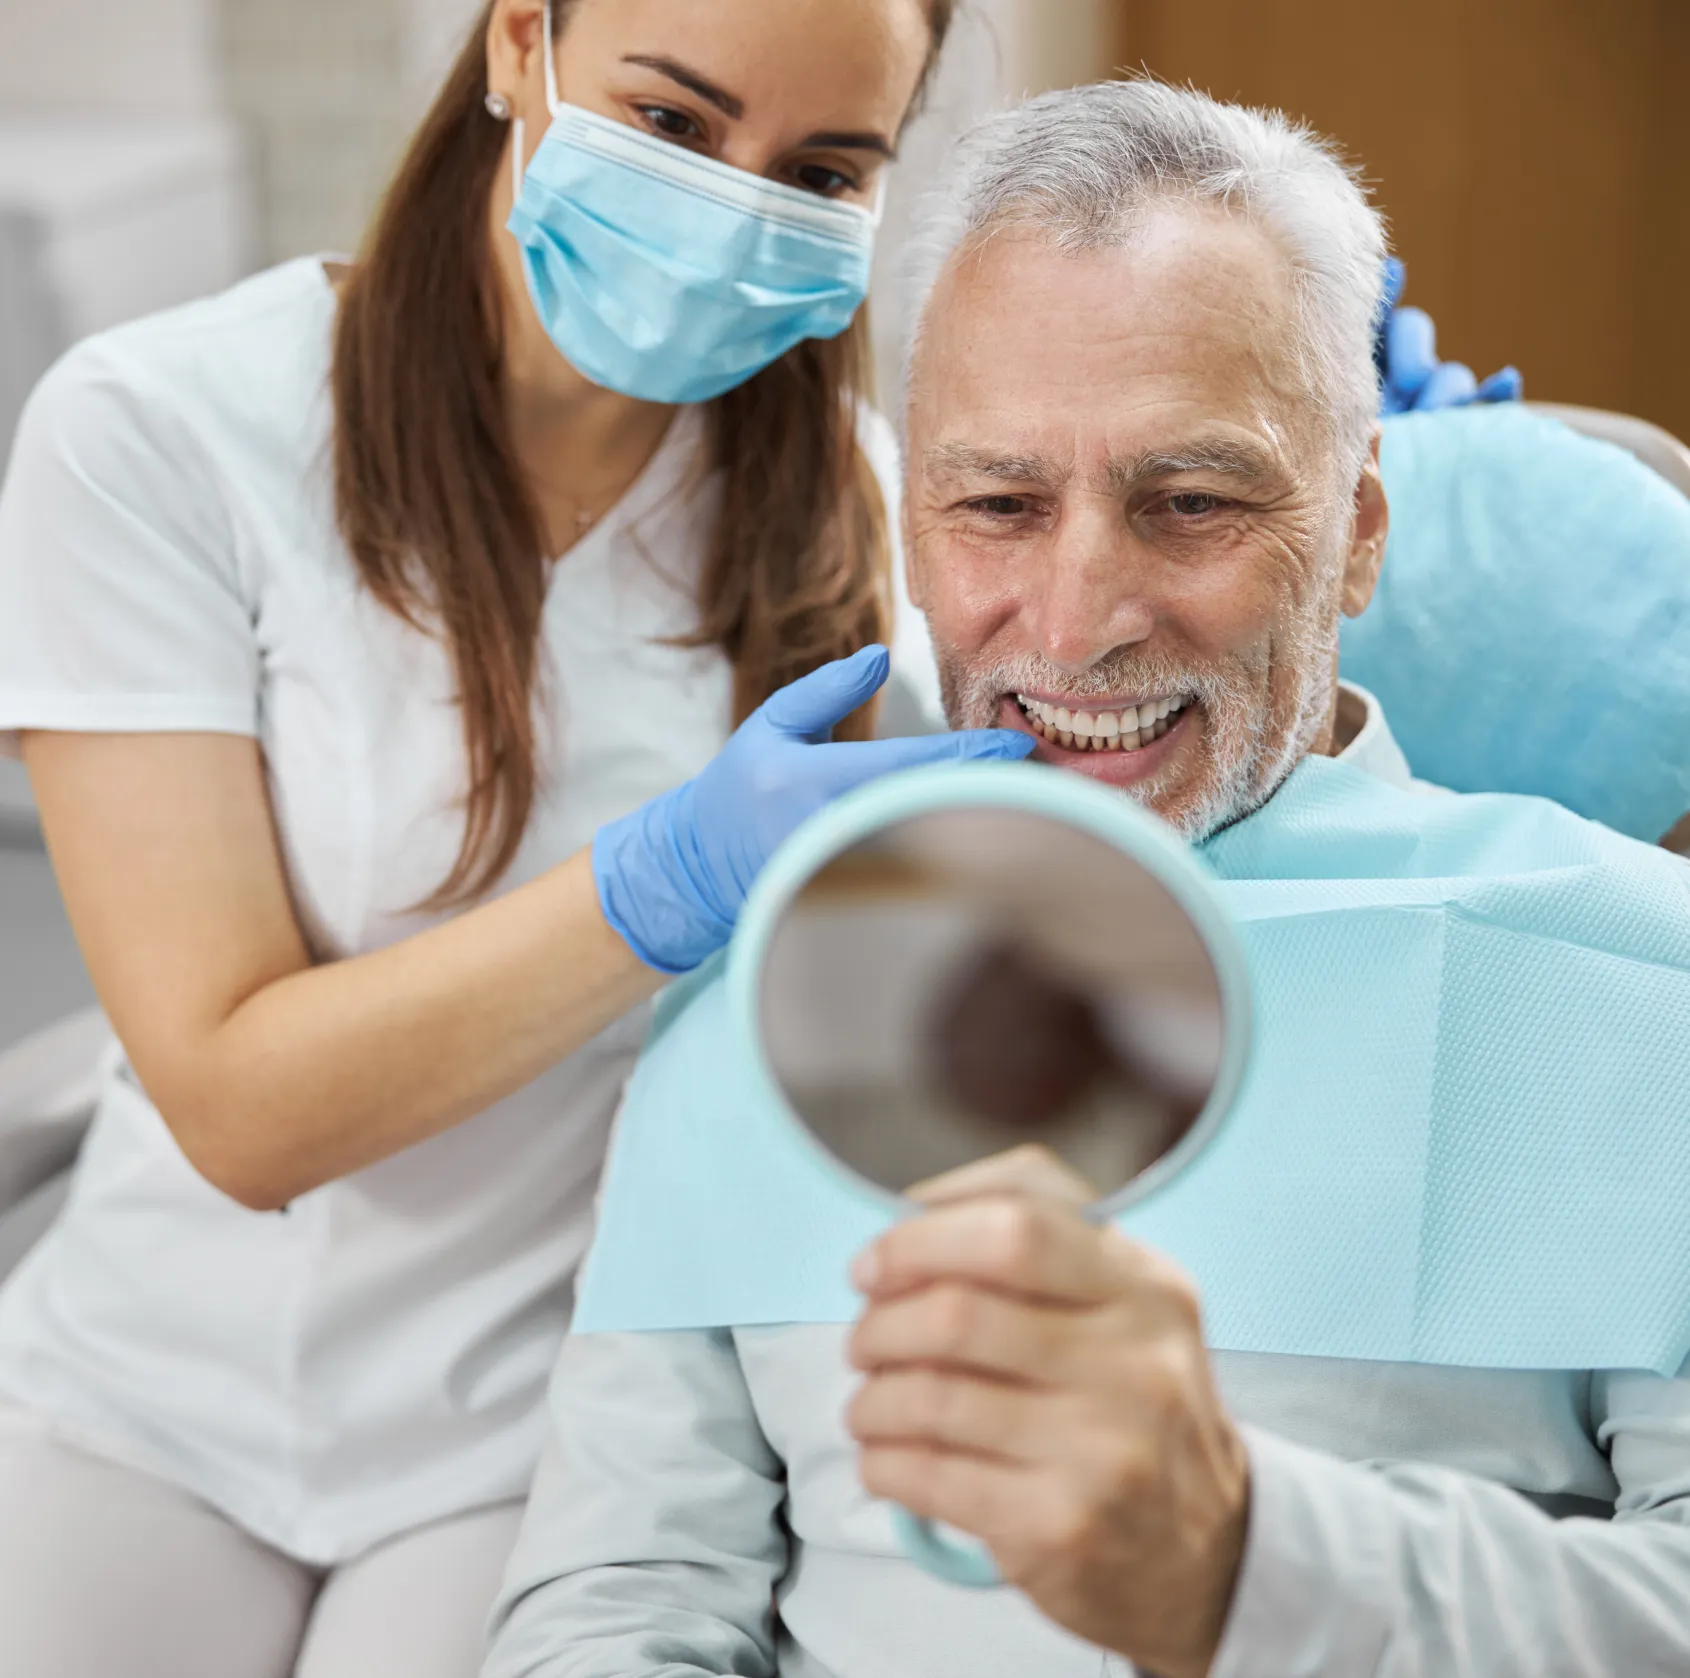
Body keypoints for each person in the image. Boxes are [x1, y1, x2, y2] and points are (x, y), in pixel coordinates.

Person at [484, 82, 1690, 1678]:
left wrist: (1245, 1564)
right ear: (910, 531)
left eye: (1189, 502)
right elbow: (617, 1596)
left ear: (1355, 537)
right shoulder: (764, 979)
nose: (1072, 623)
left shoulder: (1639, 987)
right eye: (996, 505)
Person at [0, 2, 1050, 1674]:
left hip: (532, 1426)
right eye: (674, 123)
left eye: (822, 169)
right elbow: (240, 1109)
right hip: (147, 1388)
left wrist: (1345, 488)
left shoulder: (852, 531)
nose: (731, 206)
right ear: (514, 46)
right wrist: (662, 884)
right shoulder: (160, 431)